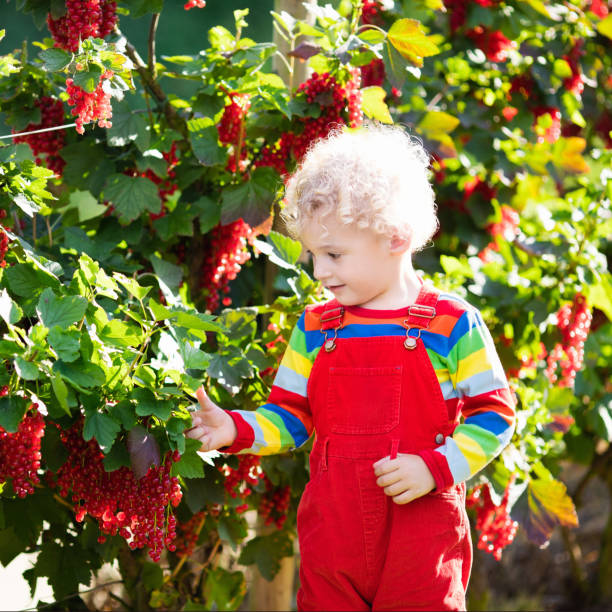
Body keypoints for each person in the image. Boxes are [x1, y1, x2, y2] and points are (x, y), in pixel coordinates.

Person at [186, 123, 516, 611]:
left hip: (419, 536)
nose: (320, 272)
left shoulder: (451, 323)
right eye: (314, 255)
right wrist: (235, 427)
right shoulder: (317, 326)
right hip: (332, 536)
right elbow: (291, 418)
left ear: (395, 238)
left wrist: (435, 467)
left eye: (335, 254)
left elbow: (496, 415)